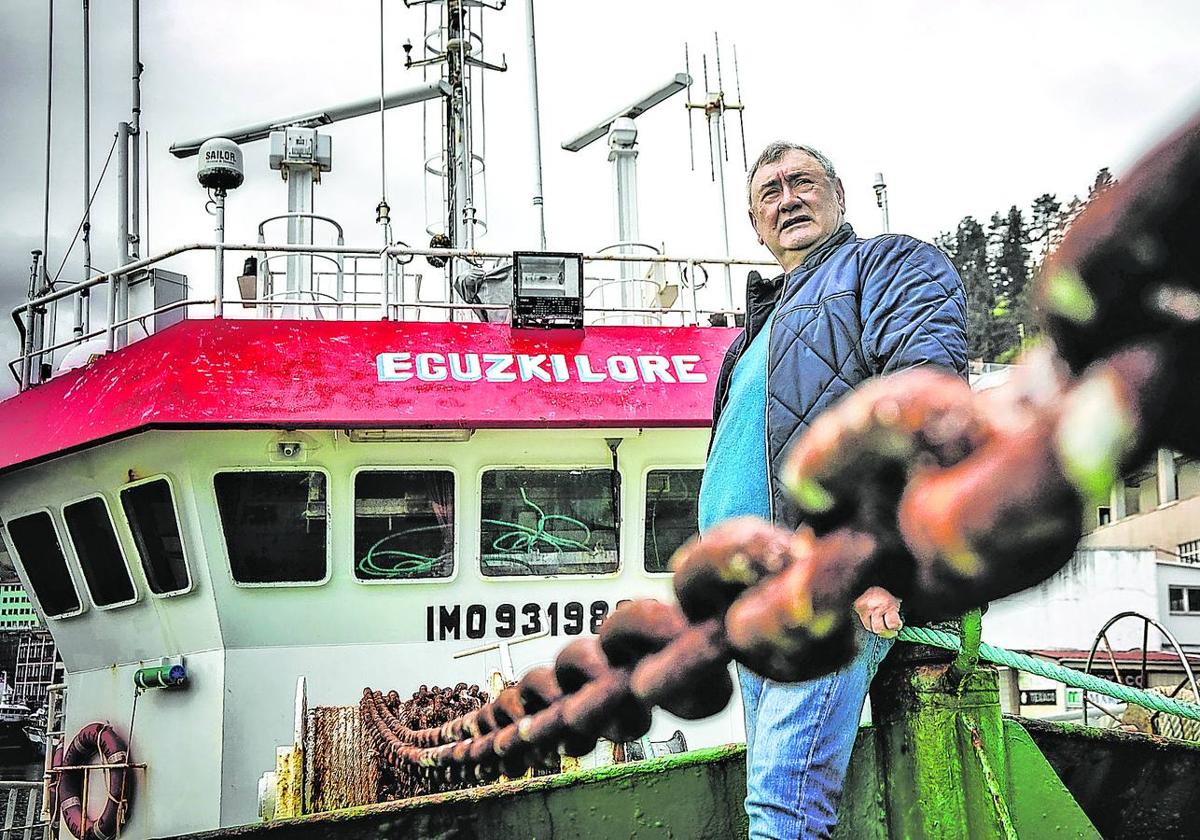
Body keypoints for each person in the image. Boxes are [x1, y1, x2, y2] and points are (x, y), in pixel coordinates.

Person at [698, 142, 968, 839]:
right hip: (754, 598)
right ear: (756, 225)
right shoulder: (751, 334)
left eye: (803, 183)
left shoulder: (885, 265)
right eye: (769, 193)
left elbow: (925, 402)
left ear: (839, 195)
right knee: (777, 792)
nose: (788, 198)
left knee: (783, 805)